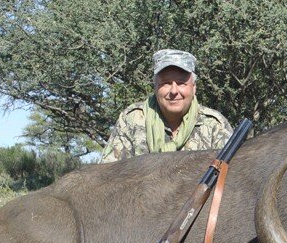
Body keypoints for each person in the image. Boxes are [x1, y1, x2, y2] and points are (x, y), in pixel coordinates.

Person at [99, 49, 233, 163]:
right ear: (155, 87)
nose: (174, 91)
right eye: (166, 83)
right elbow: (108, 176)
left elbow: (231, 179)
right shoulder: (131, 119)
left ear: (193, 88)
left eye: (181, 83)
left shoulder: (215, 124)